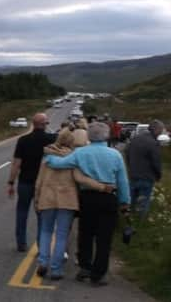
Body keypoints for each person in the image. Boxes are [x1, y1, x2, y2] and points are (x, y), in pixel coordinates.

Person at [46, 122, 131, 286]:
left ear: (89, 136)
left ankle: (85, 267)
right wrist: (124, 203)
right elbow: (123, 181)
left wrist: (48, 156)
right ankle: (98, 274)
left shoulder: (80, 153)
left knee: (86, 234)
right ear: (106, 136)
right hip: (108, 197)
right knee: (104, 238)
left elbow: (59, 164)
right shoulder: (115, 155)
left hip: (87, 198)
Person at [35, 129, 114, 280]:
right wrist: (102, 187)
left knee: (45, 231)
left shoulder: (47, 157)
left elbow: (39, 181)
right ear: (71, 142)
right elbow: (81, 179)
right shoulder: (74, 158)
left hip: (47, 197)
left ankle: (43, 262)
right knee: (61, 235)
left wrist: (37, 199)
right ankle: (56, 269)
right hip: (67, 200)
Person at [7, 113, 57, 252]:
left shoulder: (23, 140)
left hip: (25, 182)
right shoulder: (51, 139)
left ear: (33, 124)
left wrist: (11, 182)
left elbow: (16, 163)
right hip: (43, 183)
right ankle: (42, 245)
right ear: (44, 124)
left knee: (22, 211)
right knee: (42, 215)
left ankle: (21, 243)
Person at [126, 120, 165, 219]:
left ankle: (129, 220)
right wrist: (159, 175)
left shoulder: (135, 139)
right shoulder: (153, 143)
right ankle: (140, 222)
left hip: (133, 175)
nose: (161, 132)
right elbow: (156, 162)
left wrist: (130, 167)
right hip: (147, 177)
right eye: (161, 130)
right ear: (156, 130)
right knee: (143, 202)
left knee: (131, 200)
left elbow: (127, 154)